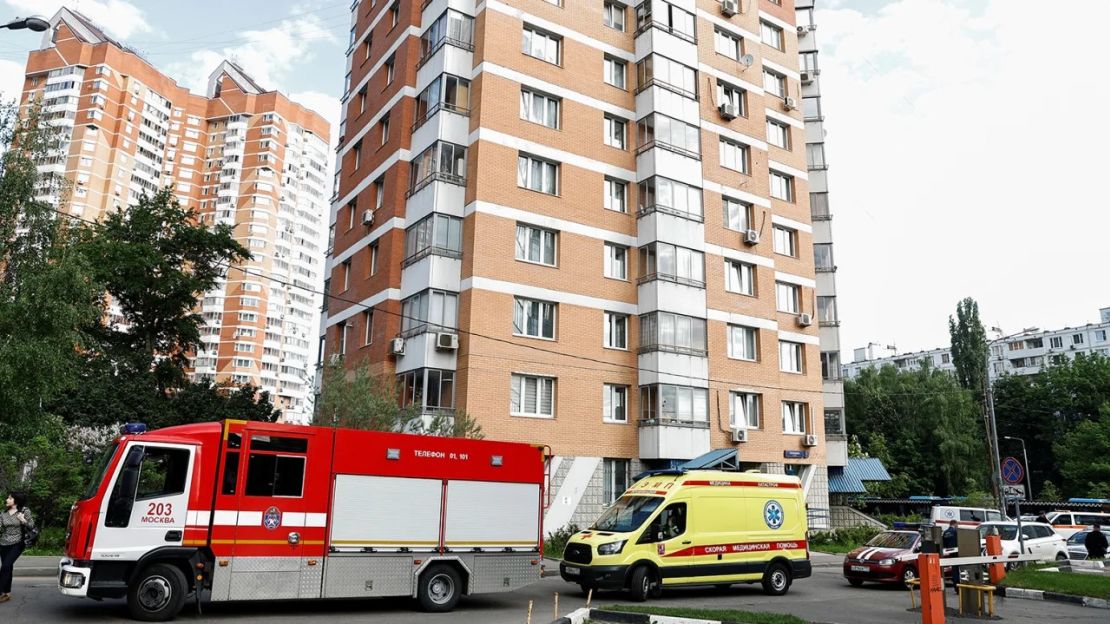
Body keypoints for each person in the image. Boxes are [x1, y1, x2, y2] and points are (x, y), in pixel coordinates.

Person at [0, 492, 35, 603]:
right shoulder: (3, 513)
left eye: (9, 498)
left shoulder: (25, 511)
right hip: (3, 543)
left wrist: (23, 520)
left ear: (16, 500)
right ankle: (7, 593)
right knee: (8, 568)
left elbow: (32, 526)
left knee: (5, 566)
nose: (7, 500)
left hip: (18, 543)